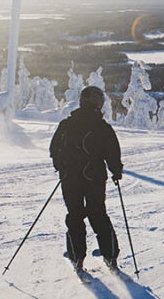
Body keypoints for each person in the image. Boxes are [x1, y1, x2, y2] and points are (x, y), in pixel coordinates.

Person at [50, 86, 123, 273]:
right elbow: (112, 153)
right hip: (95, 178)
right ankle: (110, 256)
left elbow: (54, 149)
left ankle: (77, 257)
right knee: (98, 214)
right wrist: (116, 171)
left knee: (75, 216)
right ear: (98, 104)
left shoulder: (66, 124)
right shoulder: (103, 127)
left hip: (69, 179)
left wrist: (61, 167)